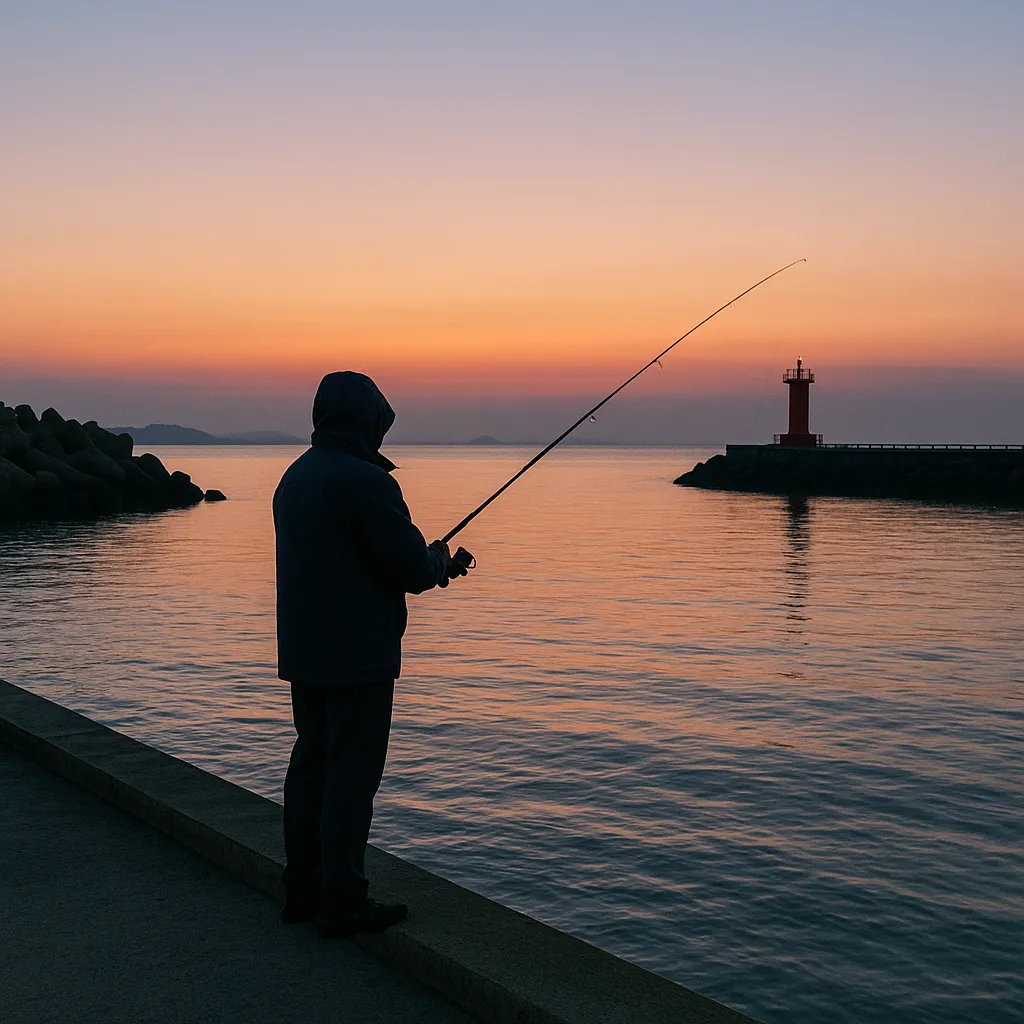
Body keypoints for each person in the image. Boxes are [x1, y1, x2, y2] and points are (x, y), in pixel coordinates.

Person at [273, 370, 473, 936]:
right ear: (368, 422)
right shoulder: (369, 483)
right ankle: (343, 898)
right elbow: (409, 568)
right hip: (359, 656)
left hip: (305, 650)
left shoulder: (295, 478)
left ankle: (301, 891)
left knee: (310, 765)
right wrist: (441, 563)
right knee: (352, 777)